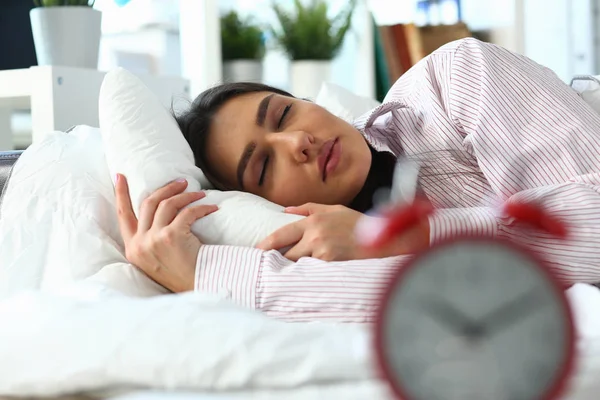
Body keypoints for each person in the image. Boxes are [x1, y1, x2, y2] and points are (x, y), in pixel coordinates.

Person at [114, 38, 600, 322]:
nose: (296, 143)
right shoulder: (326, 249)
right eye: (263, 168)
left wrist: (406, 237)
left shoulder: (452, 80)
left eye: (283, 114)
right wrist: (201, 273)